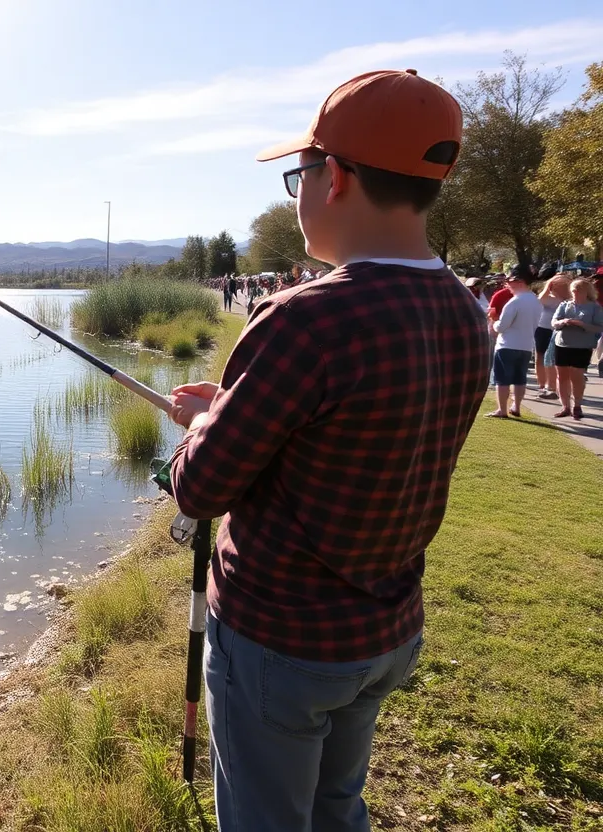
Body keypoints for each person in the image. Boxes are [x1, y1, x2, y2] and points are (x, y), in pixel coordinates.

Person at [168, 69, 489, 832]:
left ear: (335, 176)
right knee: (336, 807)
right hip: (385, 632)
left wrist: (201, 428)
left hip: (283, 642)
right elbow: (362, 429)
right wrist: (235, 410)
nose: (299, 191)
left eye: (299, 175)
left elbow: (200, 489)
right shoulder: (462, 310)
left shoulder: (306, 318)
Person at [489, 271, 541, 418]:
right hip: (526, 345)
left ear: (520, 282)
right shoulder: (535, 301)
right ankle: (516, 406)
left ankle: (502, 410)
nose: (507, 285)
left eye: (510, 282)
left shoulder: (515, 301)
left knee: (502, 379)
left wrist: (494, 321)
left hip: (507, 344)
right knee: (520, 378)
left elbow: (502, 326)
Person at [551, 278, 603, 420]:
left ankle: (577, 405)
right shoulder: (565, 305)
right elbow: (554, 322)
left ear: (587, 292)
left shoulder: (594, 307)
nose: (576, 293)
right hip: (562, 344)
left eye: (579, 290)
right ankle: (565, 406)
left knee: (577, 376)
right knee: (561, 376)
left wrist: (582, 325)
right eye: (574, 290)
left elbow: (599, 327)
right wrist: (563, 322)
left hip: (582, 346)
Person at [535, 275, 572, 398]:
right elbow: (539, 300)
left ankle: (553, 386)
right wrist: (548, 284)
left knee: (554, 359)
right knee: (540, 358)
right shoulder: (547, 297)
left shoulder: (568, 299)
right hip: (543, 329)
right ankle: (542, 385)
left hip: (559, 331)